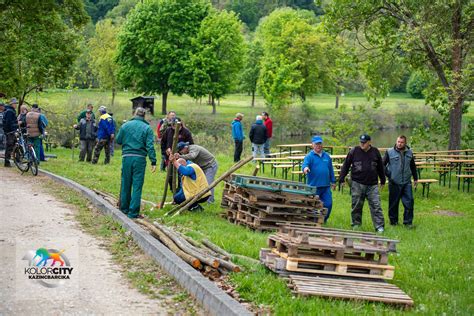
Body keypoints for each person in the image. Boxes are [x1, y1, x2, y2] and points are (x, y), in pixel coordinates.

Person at [339, 134, 386, 233]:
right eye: (361, 142)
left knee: (376, 205)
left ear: (369, 142)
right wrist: (342, 178)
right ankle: (356, 224)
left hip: (372, 184)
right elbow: (346, 165)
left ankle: (379, 226)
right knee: (356, 205)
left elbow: (381, 167)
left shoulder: (375, 152)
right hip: (357, 183)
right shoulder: (354, 151)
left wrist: (382, 180)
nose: (362, 144)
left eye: (364, 142)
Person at [116, 107, 157, 219]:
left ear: (134, 114)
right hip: (139, 158)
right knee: (137, 185)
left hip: (127, 157)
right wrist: (153, 161)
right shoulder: (147, 128)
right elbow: (150, 146)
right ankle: (133, 212)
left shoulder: (125, 125)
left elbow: (118, 140)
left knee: (126, 183)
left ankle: (124, 208)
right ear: (144, 116)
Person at [383, 135, 418, 227]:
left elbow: (413, 166)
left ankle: (408, 222)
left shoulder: (410, 152)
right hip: (394, 182)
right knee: (393, 204)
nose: (399, 144)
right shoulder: (389, 152)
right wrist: (389, 175)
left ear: (405, 143)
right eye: (398, 141)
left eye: (402, 142)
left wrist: (415, 178)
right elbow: (382, 165)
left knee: (409, 202)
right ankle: (393, 222)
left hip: (407, 182)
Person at [302, 136, 336, 223]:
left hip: (325, 186)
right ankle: (312, 220)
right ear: (312, 145)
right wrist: (305, 168)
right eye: (316, 144)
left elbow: (330, 169)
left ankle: (323, 220)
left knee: (328, 204)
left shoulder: (327, 156)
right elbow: (305, 164)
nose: (318, 145)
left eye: (320, 144)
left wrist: (333, 181)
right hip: (313, 186)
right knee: (312, 205)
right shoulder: (309, 156)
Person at [2, 98, 19, 167]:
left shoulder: (11, 110)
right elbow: (9, 123)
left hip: (11, 131)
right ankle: (7, 162)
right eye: (15, 103)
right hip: (10, 132)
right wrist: (16, 126)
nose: (16, 105)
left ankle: (16, 159)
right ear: (12, 104)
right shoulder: (10, 111)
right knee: (9, 146)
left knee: (15, 145)